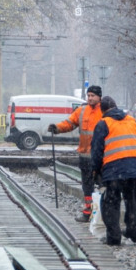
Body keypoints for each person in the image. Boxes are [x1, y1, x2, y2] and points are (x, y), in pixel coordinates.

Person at [89, 96, 136, 245]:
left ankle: (114, 237)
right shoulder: (132, 120)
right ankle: (133, 234)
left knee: (111, 202)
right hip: (135, 167)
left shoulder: (103, 123)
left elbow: (97, 150)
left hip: (114, 168)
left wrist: (95, 170)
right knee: (132, 201)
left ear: (103, 110)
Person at [48, 85, 103, 222]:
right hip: (85, 155)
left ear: (99, 97)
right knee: (87, 186)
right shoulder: (82, 110)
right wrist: (57, 128)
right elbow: (69, 123)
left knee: (103, 185)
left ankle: (102, 214)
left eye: (93, 96)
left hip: (101, 157)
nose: (90, 98)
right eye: (88, 95)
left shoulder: (104, 111)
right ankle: (88, 212)